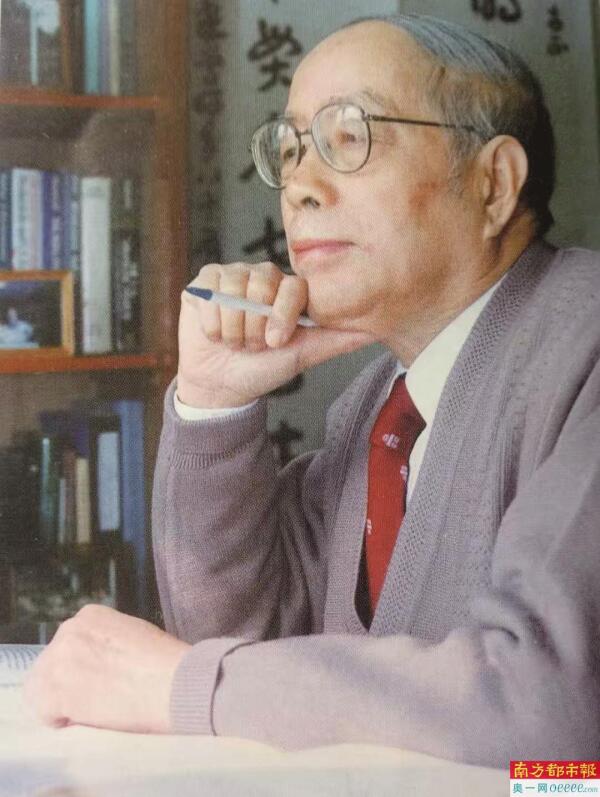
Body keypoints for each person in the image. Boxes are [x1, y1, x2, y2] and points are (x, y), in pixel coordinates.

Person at [24, 14, 600, 767]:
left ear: (493, 184)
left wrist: (182, 686)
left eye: (350, 137)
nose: (299, 187)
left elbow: (550, 730)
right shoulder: (378, 405)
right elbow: (241, 645)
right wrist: (212, 403)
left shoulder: (585, 346)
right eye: (291, 149)